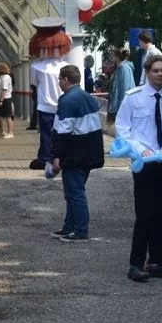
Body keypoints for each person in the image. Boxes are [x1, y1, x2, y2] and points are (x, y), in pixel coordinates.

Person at [115, 56, 162, 282]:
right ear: (147, 72)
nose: (160, 74)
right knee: (145, 214)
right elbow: (123, 129)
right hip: (144, 164)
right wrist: (140, 149)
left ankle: (157, 262)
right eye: (155, 70)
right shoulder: (133, 98)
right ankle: (135, 264)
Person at [50, 65, 104, 242]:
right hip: (90, 153)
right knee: (74, 191)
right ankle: (69, 226)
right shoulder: (88, 97)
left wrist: (56, 156)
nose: (59, 82)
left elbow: (63, 131)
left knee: (75, 192)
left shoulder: (67, 100)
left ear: (66, 79)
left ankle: (80, 230)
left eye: (60, 79)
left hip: (74, 154)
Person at [28, 18, 71, 169]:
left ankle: (45, 159)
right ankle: (63, 158)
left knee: (46, 134)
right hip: (64, 105)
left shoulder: (36, 67)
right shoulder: (67, 66)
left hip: (45, 105)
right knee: (64, 133)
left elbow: (34, 85)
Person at [106, 48, 135, 128]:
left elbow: (125, 88)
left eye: (112, 55)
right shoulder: (118, 68)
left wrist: (122, 106)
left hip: (122, 106)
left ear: (117, 57)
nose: (111, 57)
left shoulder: (124, 68)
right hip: (117, 105)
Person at [0, 62, 14, 138]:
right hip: (1, 98)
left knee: (7, 116)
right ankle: (2, 132)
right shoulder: (2, 77)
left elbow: (4, 89)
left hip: (5, 99)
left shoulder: (5, 77)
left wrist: (1, 100)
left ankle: (10, 133)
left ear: (1, 69)